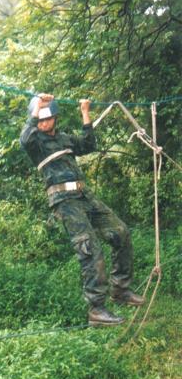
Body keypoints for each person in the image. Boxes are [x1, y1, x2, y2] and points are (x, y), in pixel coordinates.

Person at [20, 93, 144, 326]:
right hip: (63, 200)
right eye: (40, 120)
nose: (44, 123)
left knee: (121, 232)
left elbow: (89, 145)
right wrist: (37, 105)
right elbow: (24, 138)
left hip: (84, 195)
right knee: (90, 248)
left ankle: (121, 291)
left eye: (48, 119)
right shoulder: (35, 142)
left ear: (55, 118)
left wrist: (85, 112)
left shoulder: (64, 139)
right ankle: (96, 309)